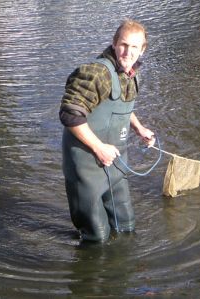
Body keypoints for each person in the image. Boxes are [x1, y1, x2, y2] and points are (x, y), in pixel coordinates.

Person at [59, 19, 155, 242]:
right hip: (86, 165)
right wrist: (98, 147)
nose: (127, 52)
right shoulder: (96, 73)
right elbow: (69, 113)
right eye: (123, 45)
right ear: (114, 43)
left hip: (115, 162)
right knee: (96, 237)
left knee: (126, 225)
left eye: (134, 47)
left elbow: (121, 105)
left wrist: (140, 129)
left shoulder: (131, 73)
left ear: (142, 49)